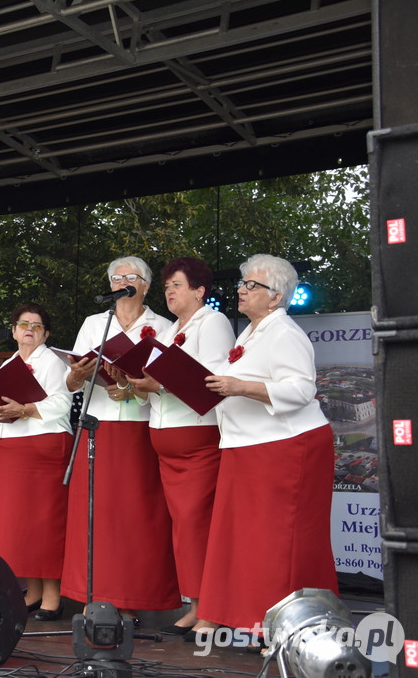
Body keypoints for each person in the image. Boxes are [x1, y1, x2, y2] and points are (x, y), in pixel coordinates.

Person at [196, 254, 337, 635]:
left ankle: (283, 625)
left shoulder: (285, 332)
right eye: (242, 284)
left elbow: (302, 389)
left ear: (275, 297)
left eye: (250, 285)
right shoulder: (251, 332)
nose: (241, 290)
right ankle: (245, 619)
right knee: (247, 540)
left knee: (280, 541)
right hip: (248, 446)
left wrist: (241, 387)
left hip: (287, 446)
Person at [60, 256, 180, 619]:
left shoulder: (163, 325)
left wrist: (129, 387)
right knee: (94, 514)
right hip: (96, 424)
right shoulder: (95, 322)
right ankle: (93, 597)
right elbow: (70, 382)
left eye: (130, 277)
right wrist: (77, 375)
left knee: (135, 515)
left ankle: (131, 601)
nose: (121, 281)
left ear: (144, 285)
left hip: (142, 427)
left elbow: (166, 380)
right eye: (115, 277)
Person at [122, 258, 235, 634]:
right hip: (165, 442)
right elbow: (154, 387)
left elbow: (212, 380)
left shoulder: (213, 322)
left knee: (197, 526)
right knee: (181, 529)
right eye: (167, 286)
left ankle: (214, 610)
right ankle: (196, 604)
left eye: (177, 285)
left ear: (200, 291)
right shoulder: (169, 330)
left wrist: (159, 384)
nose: (169, 291)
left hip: (197, 441)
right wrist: (136, 386)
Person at [0, 303, 73, 621]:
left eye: (37, 325)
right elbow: (2, 407)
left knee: (43, 522)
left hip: (41, 450)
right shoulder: (8, 363)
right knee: (18, 525)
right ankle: (33, 590)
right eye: (23, 323)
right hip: (7, 450)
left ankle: (53, 596)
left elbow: (61, 403)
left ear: (46, 334)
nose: (29, 329)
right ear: (14, 330)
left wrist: (25, 409)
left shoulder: (54, 362)